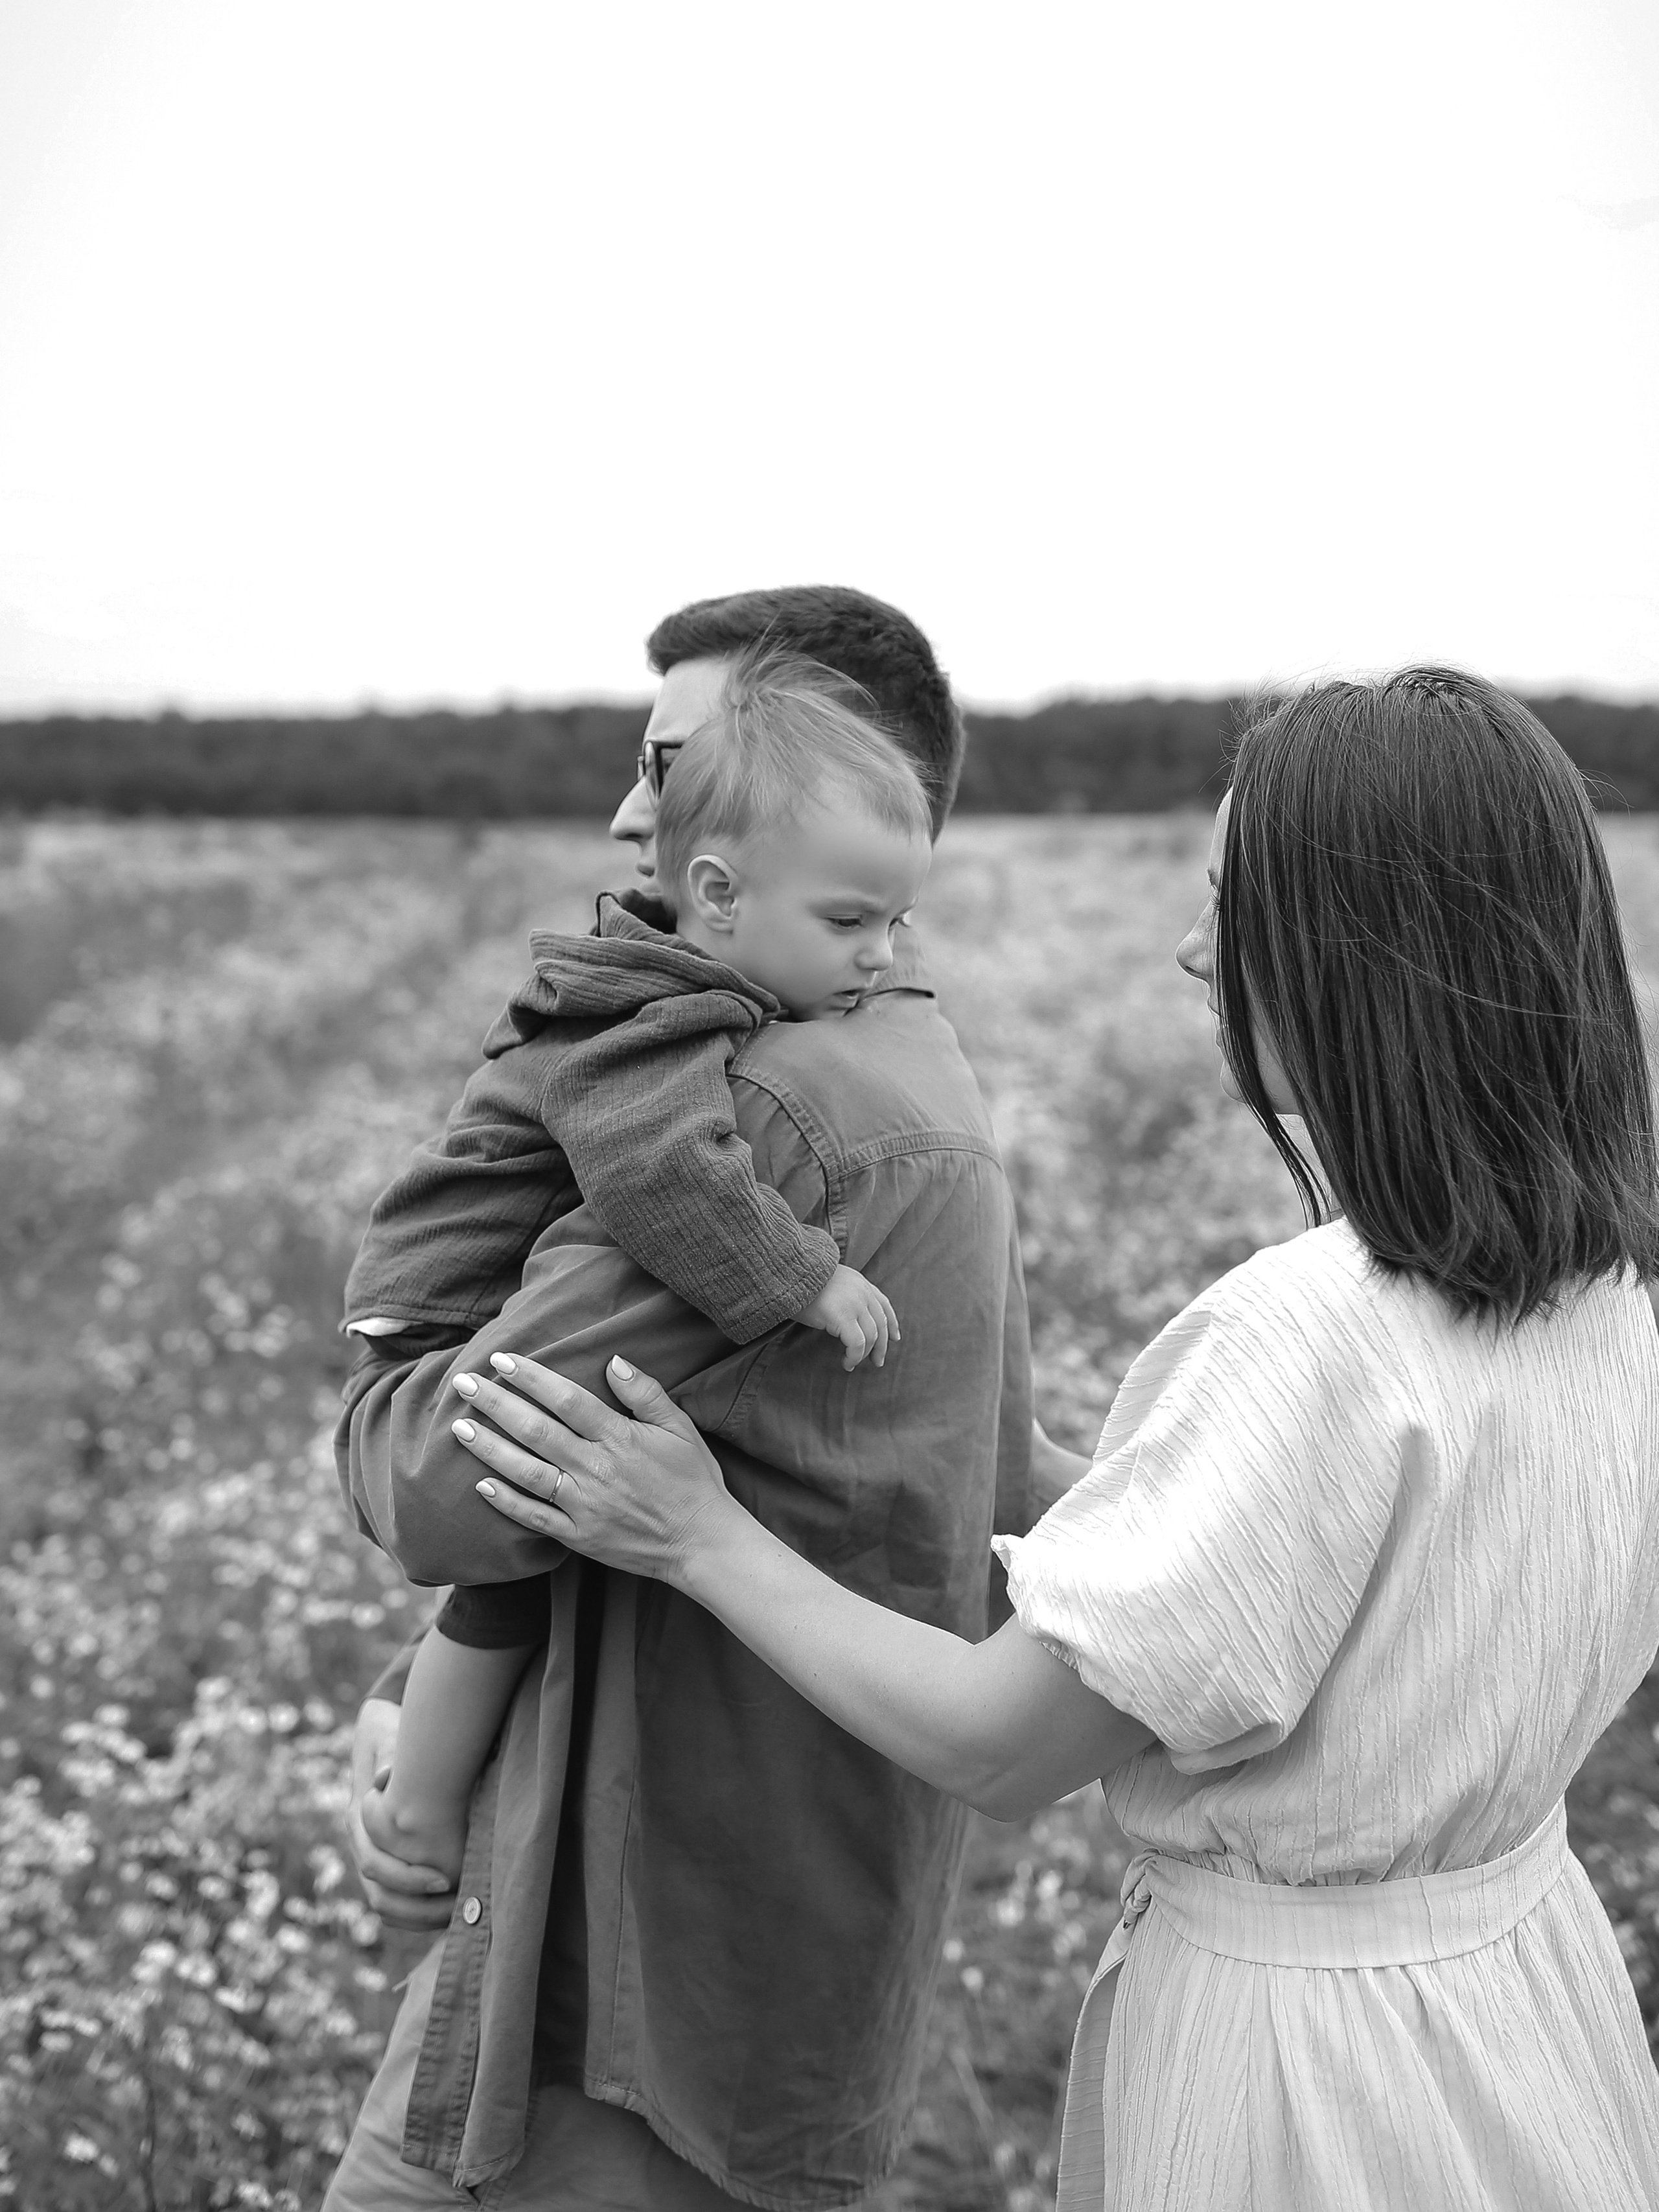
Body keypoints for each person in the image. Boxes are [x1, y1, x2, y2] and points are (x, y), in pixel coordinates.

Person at [447, 667, 1659, 2212]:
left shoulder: (1307, 1330)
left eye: (1229, 905)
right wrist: (1003, 1459)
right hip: (1517, 1995)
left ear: (1357, 953)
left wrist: (696, 1534)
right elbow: (1340, 1604)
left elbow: (997, 1743)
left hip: (1306, 2068)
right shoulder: (1608, 1295)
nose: (1191, 950)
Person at [328, 586, 1065, 2211]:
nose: (626, 813)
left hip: (622, 1981)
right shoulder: (905, 1061)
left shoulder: (769, 1112)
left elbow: (455, 1480)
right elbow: (956, 1465)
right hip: (731, 1950)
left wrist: (375, 1399)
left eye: (669, 765)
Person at [346, 651, 931, 1883]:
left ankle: (423, 1795)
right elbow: (663, 1170)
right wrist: (806, 1277)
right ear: (717, 894)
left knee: (533, 1538)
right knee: (515, 1544)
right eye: (848, 924)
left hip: (450, 1300)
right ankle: (419, 1811)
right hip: (436, 1309)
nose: (882, 957)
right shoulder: (660, 1011)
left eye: (897, 923)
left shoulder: (688, 983)